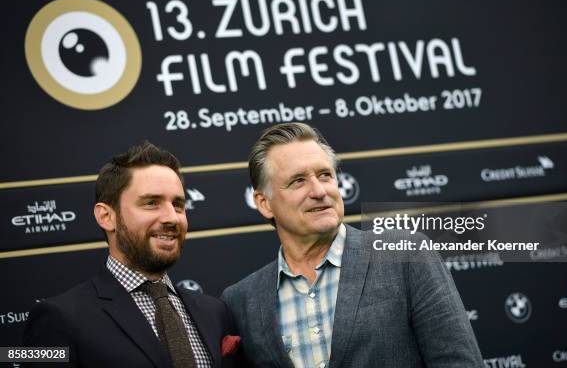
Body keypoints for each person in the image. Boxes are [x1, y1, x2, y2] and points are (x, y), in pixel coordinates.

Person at [222, 123, 484, 368]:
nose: (319, 190)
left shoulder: (406, 255)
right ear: (264, 203)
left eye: (325, 175)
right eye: (298, 181)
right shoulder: (241, 301)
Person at [24, 142, 240, 367]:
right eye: (151, 203)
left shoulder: (215, 312)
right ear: (106, 216)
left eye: (178, 205)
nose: (172, 218)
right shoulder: (56, 318)